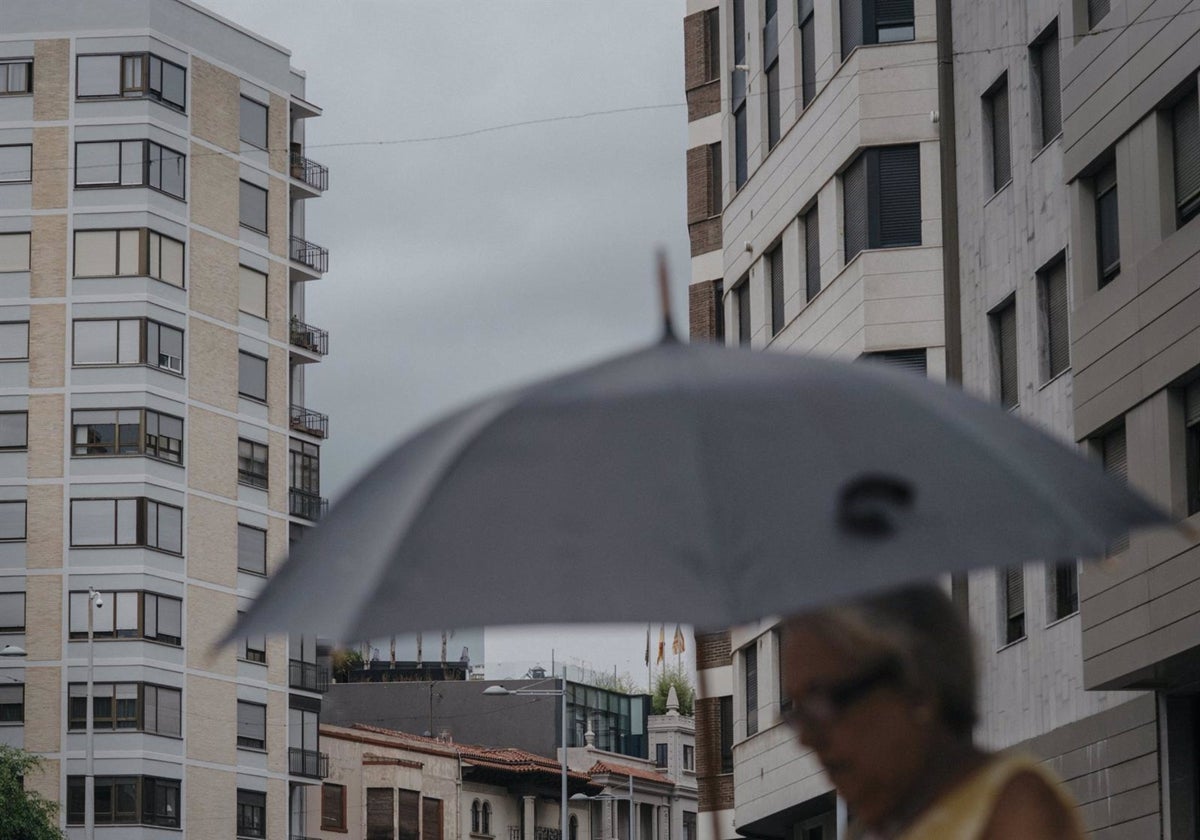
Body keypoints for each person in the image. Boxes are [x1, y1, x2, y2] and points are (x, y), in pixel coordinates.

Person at [780, 583, 1083, 840]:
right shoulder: (879, 828)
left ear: (916, 687)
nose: (806, 738)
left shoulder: (1015, 807)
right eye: (799, 713)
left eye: (823, 703)